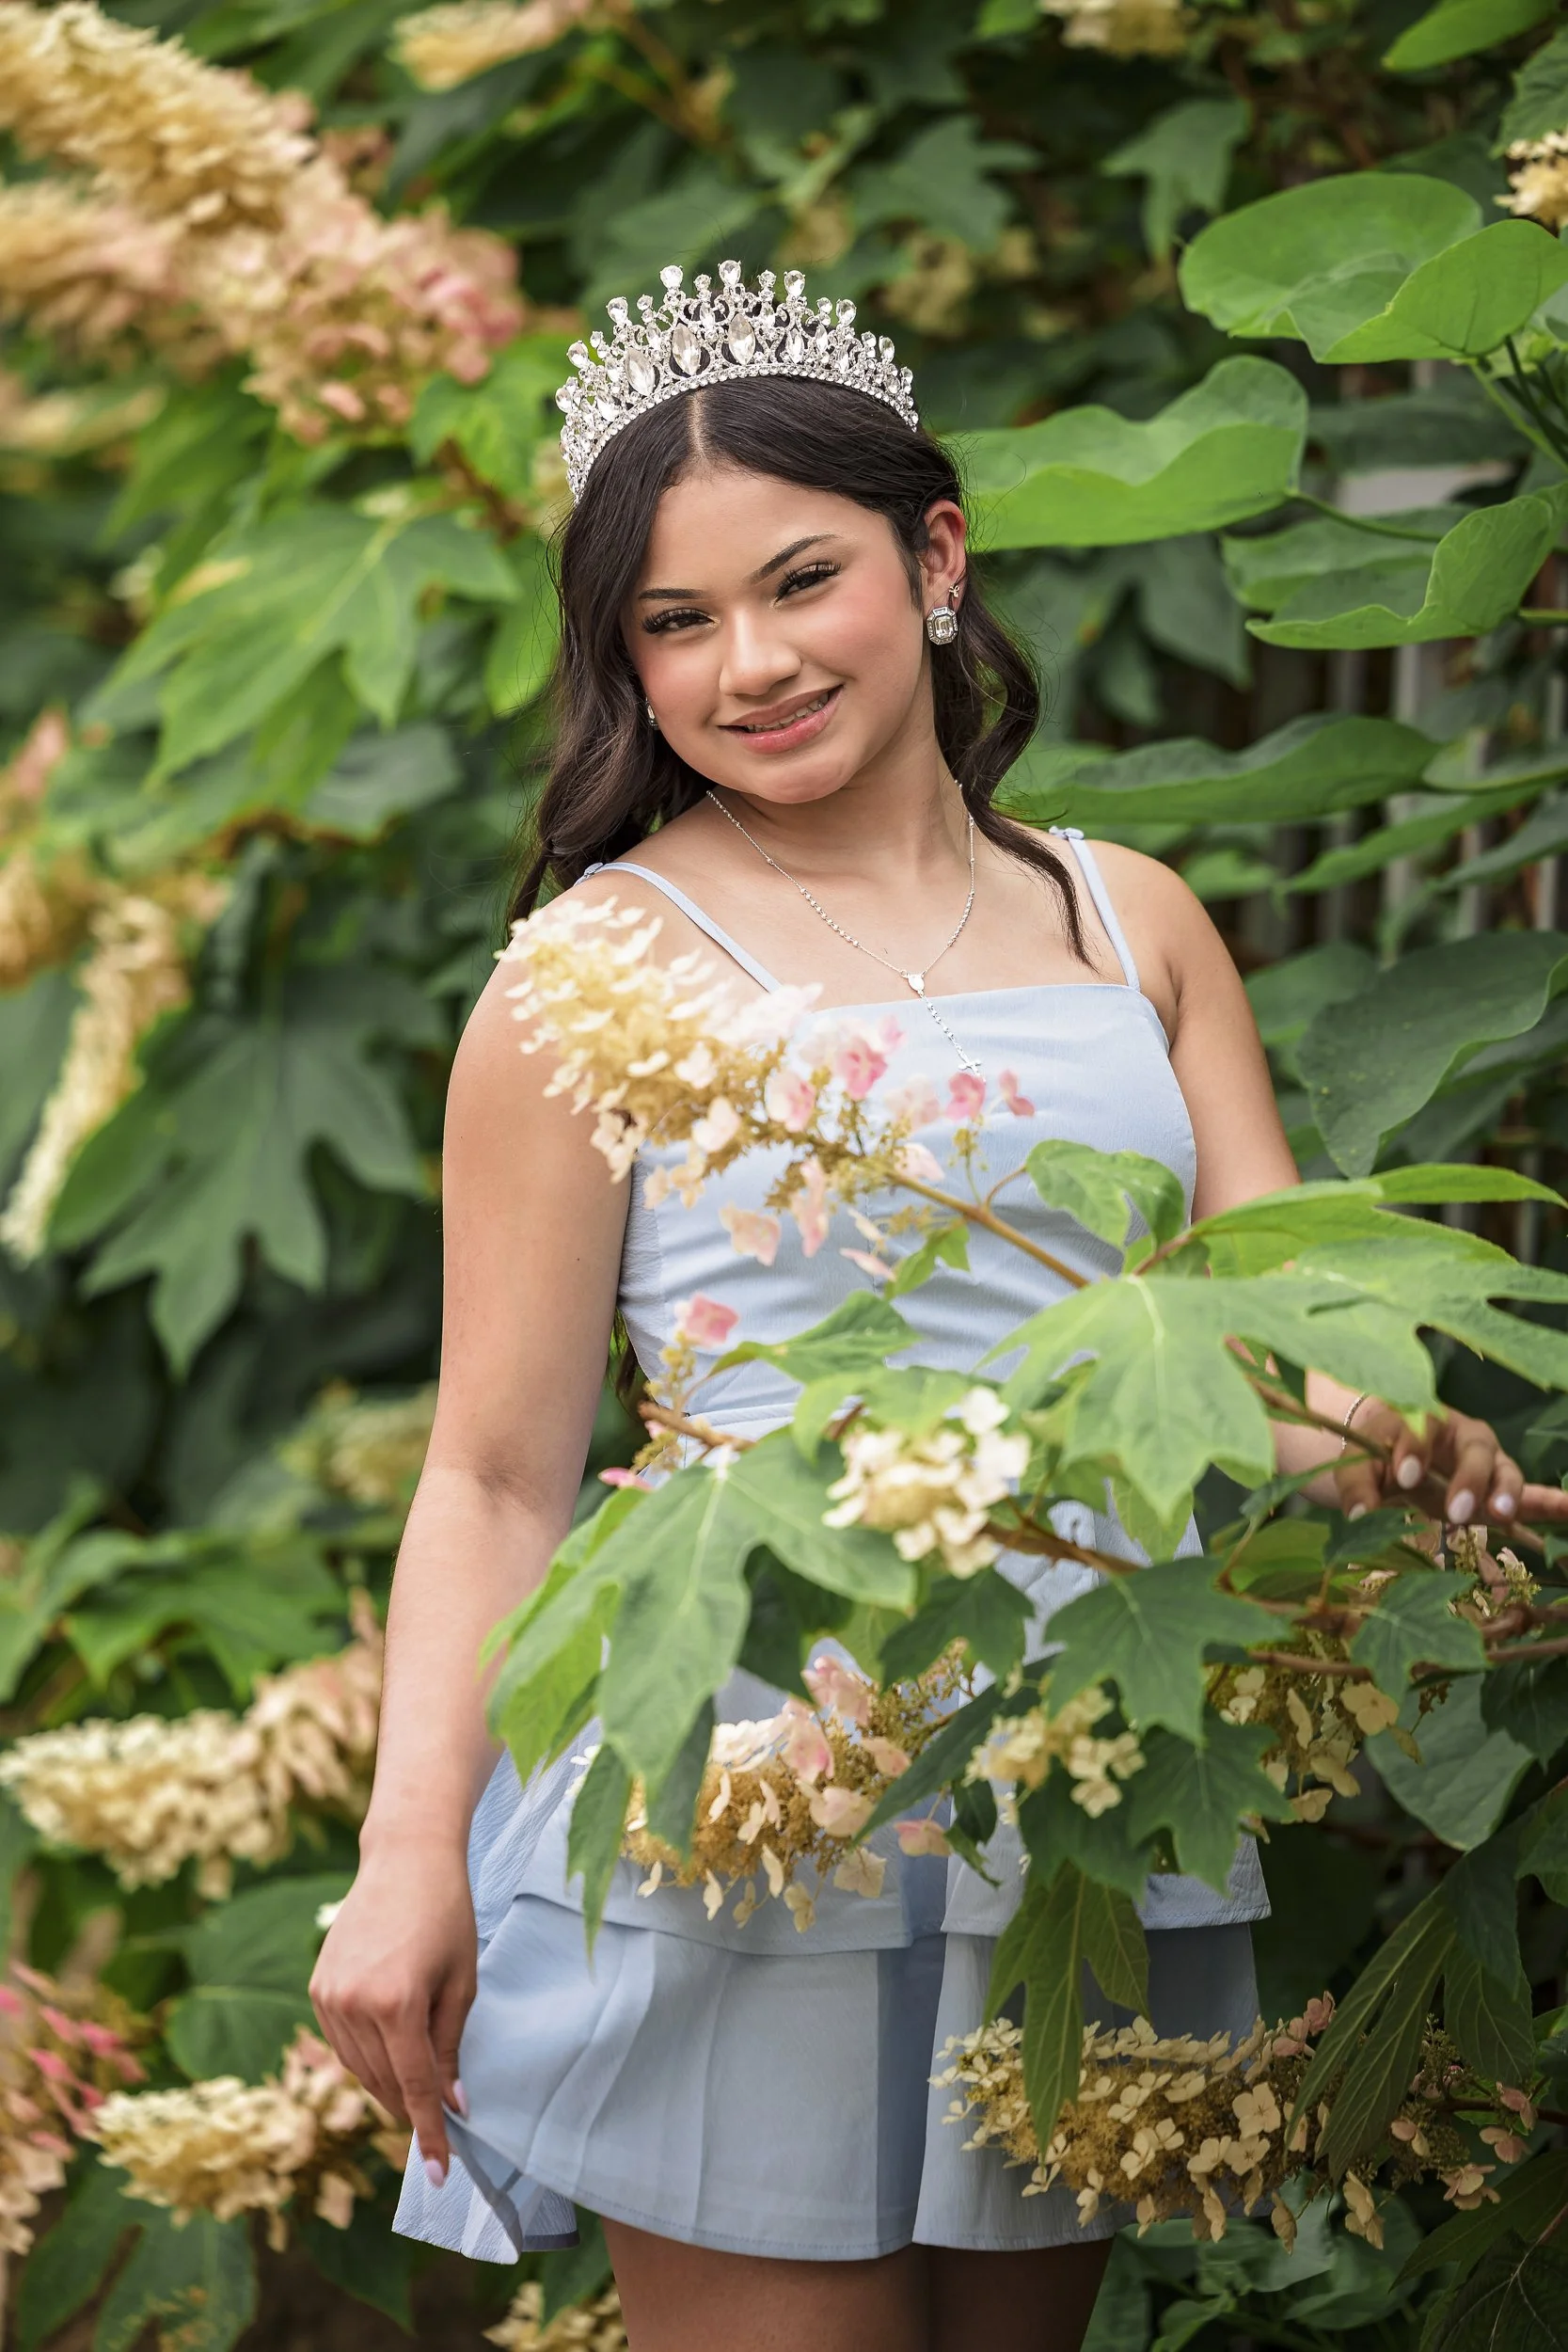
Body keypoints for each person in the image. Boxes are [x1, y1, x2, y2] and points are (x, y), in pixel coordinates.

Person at [309, 263, 1568, 2352]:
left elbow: (1255, 1358)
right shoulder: (590, 979)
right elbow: (493, 1467)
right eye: (675, 622)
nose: (754, 660)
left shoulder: (1126, 920)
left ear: (936, 556)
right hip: (742, 1775)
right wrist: (403, 1846)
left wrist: (1414, 1449)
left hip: (1074, 1762)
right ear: (623, 657)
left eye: (801, 578)